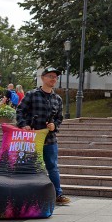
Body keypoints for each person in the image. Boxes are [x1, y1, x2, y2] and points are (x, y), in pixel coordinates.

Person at [16, 67, 70, 205]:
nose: (53, 79)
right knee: (30, 167)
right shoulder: (32, 94)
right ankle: (28, 195)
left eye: (55, 77)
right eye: (50, 76)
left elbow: (59, 118)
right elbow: (20, 111)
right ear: (43, 78)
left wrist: (54, 126)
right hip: (32, 139)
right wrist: (23, 124)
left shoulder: (57, 98)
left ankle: (58, 194)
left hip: (50, 140)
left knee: (52, 167)